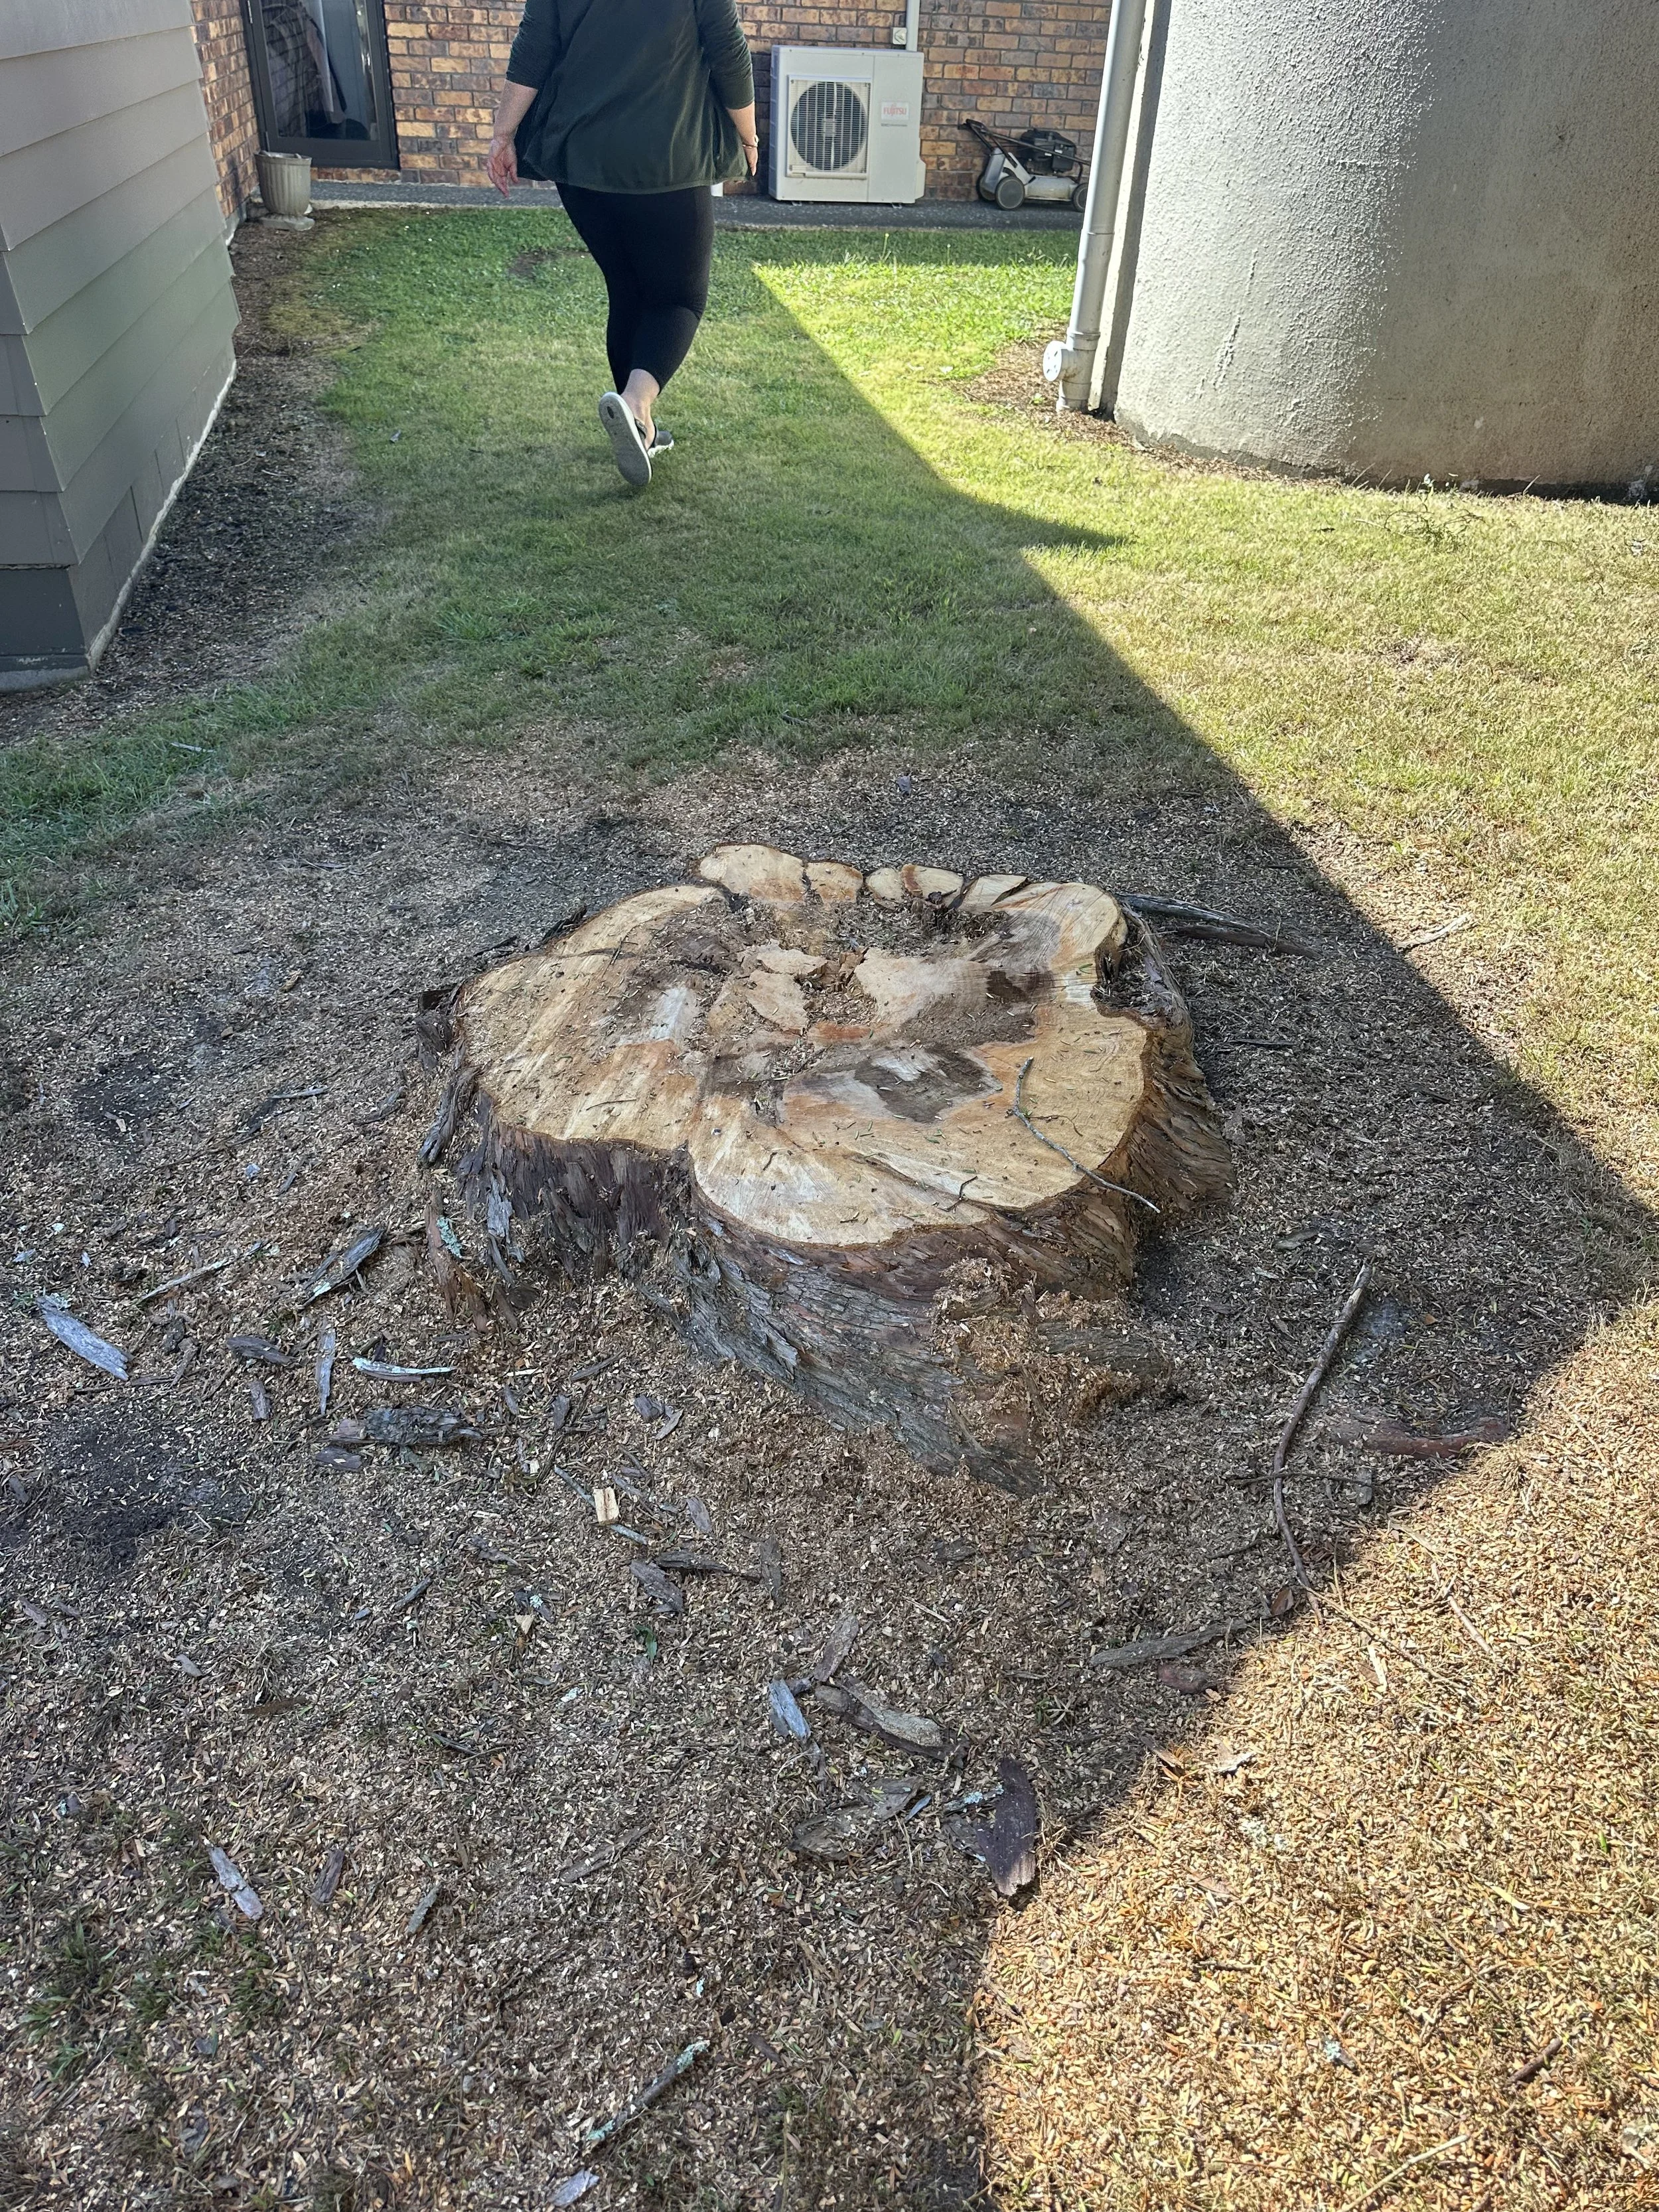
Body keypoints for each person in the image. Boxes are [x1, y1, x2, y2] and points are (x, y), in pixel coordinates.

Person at [486, 0, 758, 488]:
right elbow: (728, 50)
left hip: (582, 162)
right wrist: (750, 136)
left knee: (628, 288)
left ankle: (640, 429)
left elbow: (534, 45)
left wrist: (503, 133)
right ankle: (635, 406)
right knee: (680, 298)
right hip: (668, 160)